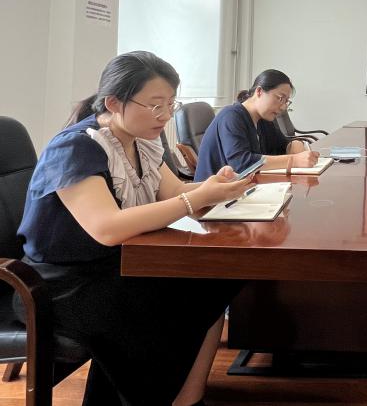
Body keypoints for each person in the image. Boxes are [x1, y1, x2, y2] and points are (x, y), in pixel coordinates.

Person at [15, 51, 255, 406]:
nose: (165, 115)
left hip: (114, 264)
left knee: (215, 279)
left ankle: (186, 399)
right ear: (114, 103)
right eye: (155, 105)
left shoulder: (142, 139)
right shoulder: (76, 147)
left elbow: (175, 192)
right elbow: (107, 228)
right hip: (58, 285)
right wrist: (198, 197)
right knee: (169, 304)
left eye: (171, 104)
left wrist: (214, 188)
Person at [194, 69, 318, 182]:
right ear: (259, 91)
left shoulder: (264, 119)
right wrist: (294, 160)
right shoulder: (231, 116)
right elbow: (241, 163)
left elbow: (283, 145)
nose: (283, 107)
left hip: (242, 188)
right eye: (280, 98)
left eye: (286, 101)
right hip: (212, 196)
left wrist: (295, 144)